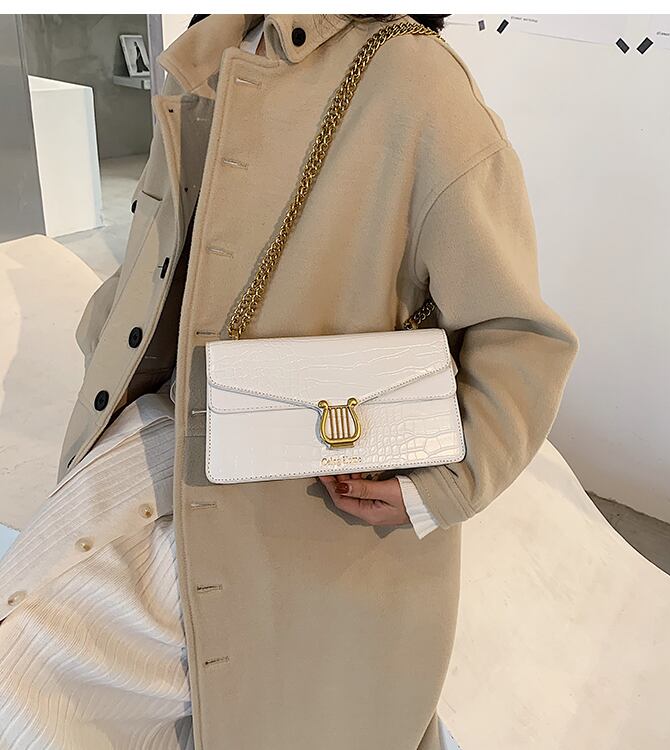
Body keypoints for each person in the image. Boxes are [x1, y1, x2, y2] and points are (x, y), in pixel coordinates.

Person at [0, 14, 578, 750]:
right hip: (148, 440)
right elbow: (158, 249)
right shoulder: (212, 49)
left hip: (302, 502)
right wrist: (106, 344)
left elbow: (520, 335)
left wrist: (443, 484)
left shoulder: (417, 81)